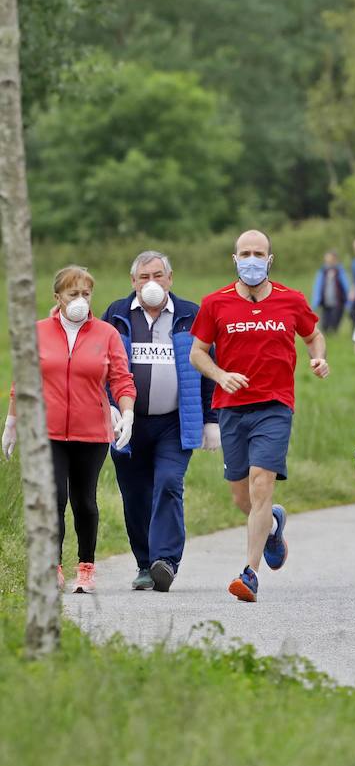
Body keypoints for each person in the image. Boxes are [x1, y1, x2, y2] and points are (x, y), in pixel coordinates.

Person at [190, 229, 329, 603]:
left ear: (270, 259)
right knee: (242, 496)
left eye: (259, 253)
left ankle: (249, 574)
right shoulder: (215, 303)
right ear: (235, 259)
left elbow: (313, 334)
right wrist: (220, 375)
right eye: (245, 253)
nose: (252, 260)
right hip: (231, 408)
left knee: (261, 482)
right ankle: (271, 526)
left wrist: (319, 357)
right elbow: (197, 353)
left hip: (274, 405)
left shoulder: (290, 300)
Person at [3, 266, 135, 594]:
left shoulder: (106, 334)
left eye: (86, 294)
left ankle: (86, 569)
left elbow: (121, 378)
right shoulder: (37, 332)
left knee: (84, 501)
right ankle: (54, 567)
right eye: (73, 294)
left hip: (91, 433)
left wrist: (128, 412)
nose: (80, 300)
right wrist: (12, 423)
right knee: (54, 498)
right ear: (58, 297)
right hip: (46, 433)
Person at [101, 251, 218, 593]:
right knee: (135, 493)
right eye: (143, 277)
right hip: (128, 423)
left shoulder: (190, 315)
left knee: (168, 482)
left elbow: (208, 368)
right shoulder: (117, 314)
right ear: (133, 282)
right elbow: (101, 365)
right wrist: (109, 408)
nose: (151, 283)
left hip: (174, 422)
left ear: (170, 278)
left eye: (157, 275)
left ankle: (165, 561)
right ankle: (143, 563)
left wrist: (211, 419)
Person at [312, 250, 352, 335]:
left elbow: (346, 286)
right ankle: (327, 337)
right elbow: (317, 287)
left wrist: (349, 301)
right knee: (325, 325)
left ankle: (334, 335)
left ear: (335, 259)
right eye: (326, 259)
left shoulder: (340, 271)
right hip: (325, 302)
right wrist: (315, 302)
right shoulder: (322, 271)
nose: (328, 261)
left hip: (338, 302)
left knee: (334, 323)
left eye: (330, 258)